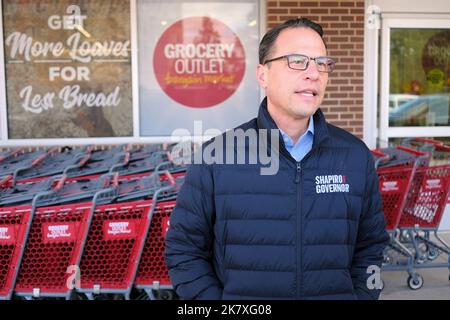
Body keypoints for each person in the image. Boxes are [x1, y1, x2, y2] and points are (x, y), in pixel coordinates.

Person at [165, 17, 389, 300]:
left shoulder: (355, 156)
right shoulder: (217, 156)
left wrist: (363, 297)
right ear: (263, 75)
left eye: (321, 63)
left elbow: (372, 247)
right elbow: (184, 250)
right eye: (297, 61)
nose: (313, 73)